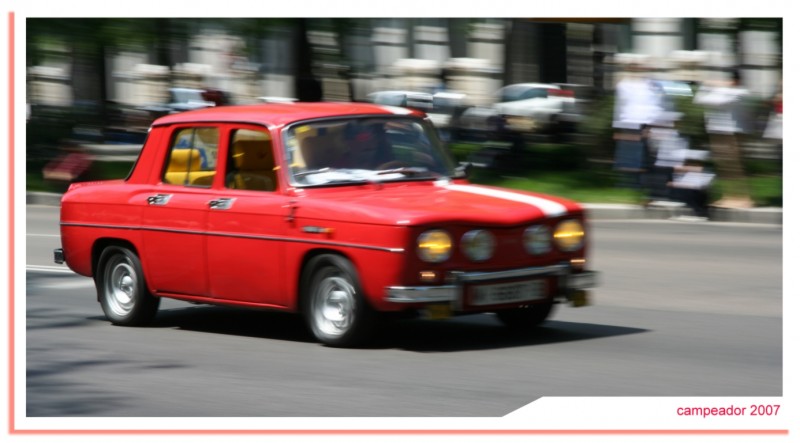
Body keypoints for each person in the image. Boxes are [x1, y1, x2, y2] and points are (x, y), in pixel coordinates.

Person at [693, 72, 754, 209]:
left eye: (727, 80)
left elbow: (717, 101)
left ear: (735, 81)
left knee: (735, 168)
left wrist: (712, 86)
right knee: (725, 168)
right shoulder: (724, 92)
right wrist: (709, 87)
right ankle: (730, 196)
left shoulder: (741, 93)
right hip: (719, 132)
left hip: (733, 133)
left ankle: (744, 198)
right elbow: (699, 100)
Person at [612, 55, 664, 187]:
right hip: (630, 121)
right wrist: (618, 123)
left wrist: (655, 123)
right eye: (635, 67)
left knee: (651, 155)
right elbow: (620, 105)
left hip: (649, 122)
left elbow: (657, 103)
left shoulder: (653, 84)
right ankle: (632, 184)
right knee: (632, 155)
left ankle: (649, 184)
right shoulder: (624, 85)